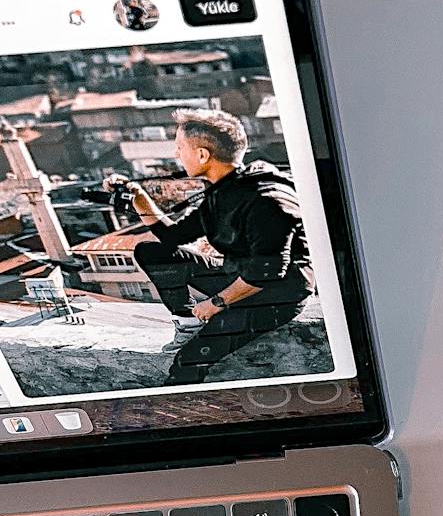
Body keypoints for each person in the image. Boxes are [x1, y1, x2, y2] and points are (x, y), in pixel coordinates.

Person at [127, 110, 315, 384]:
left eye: (180, 148)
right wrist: (140, 201)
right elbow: (173, 236)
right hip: (240, 274)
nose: (176, 155)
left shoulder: (266, 199)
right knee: (152, 251)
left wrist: (215, 304)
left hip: (276, 296)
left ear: (203, 155)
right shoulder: (224, 191)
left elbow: (267, 272)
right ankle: (188, 322)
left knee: (187, 364)